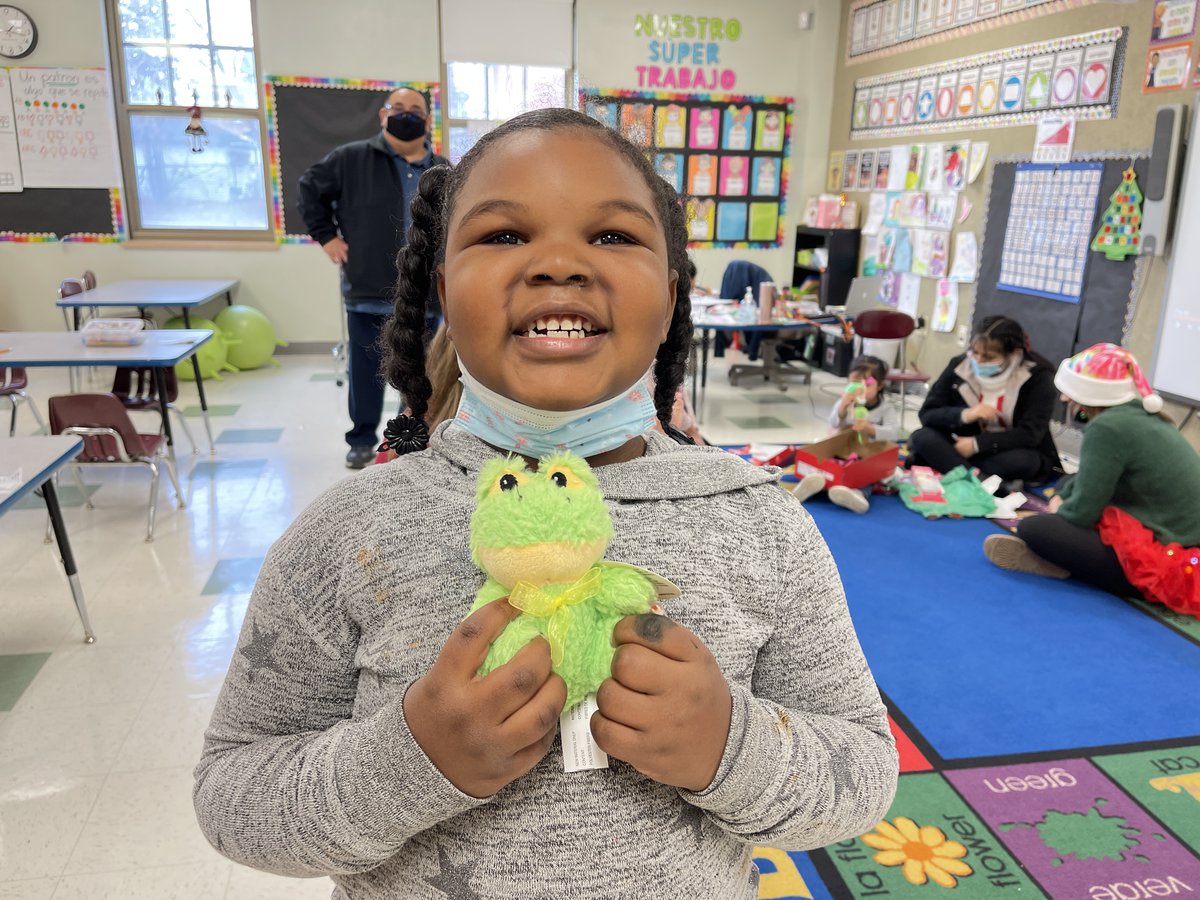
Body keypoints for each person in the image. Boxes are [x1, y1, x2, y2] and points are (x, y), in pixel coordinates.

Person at [194, 108, 898, 898]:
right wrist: (407, 760)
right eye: (502, 235)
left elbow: (865, 775)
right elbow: (231, 793)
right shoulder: (348, 531)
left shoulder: (764, 524)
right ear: (445, 289)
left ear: (670, 296)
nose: (559, 264)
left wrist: (730, 746)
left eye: (613, 236)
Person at [298, 87, 450, 468]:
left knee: (419, 374)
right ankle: (362, 439)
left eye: (415, 110)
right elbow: (309, 189)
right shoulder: (351, 159)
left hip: (425, 295)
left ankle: (407, 439)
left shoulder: (442, 170)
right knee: (366, 371)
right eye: (398, 108)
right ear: (384, 115)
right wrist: (327, 237)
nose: (406, 115)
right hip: (369, 289)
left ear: (426, 121)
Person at [985, 343, 1200, 612]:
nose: (1065, 399)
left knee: (1035, 528)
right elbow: (1091, 478)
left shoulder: (1107, 428)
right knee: (1066, 483)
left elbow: (1082, 514)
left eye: (1069, 392)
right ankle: (1066, 558)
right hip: (1179, 531)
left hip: (1171, 554)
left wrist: (1060, 510)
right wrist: (1063, 497)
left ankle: (1073, 565)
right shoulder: (1140, 414)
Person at [909, 315, 1059, 487]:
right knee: (922, 437)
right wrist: (965, 415)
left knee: (1025, 462)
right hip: (961, 442)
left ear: (1013, 354)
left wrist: (977, 444)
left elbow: (1030, 434)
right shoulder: (960, 366)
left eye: (988, 357)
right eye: (974, 352)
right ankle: (983, 480)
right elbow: (927, 414)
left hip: (1005, 449)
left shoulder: (1037, 377)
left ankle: (954, 467)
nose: (978, 361)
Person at [793, 355, 899, 513]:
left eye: (866, 385)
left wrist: (870, 428)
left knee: (867, 475)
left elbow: (894, 433)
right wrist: (842, 408)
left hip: (867, 455)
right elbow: (834, 423)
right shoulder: (845, 402)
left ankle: (857, 495)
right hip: (842, 452)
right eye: (854, 383)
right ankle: (813, 484)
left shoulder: (885, 408)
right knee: (826, 462)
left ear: (880, 386)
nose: (859, 389)